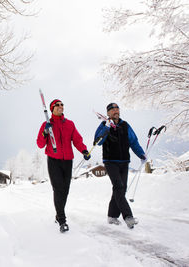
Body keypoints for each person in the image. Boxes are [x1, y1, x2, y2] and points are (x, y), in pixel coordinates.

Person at [37, 99, 90, 233]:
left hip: (68, 160)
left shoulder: (70, 124)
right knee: (58, 188)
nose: (61, 107)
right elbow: (40, 144)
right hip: (53, 160)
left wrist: (84, 150)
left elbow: (77, 139)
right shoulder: (47, 124)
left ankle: (58, 214)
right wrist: (45, 132)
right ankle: (62, 220)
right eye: (58, 105)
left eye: (62, 105)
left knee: (65, 190)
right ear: (52, 108)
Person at [94, 103, 146, 229]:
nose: (116, 111)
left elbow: (133, 141)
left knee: (120, 189)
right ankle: (128, 216)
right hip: (110, 161)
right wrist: (106, 128)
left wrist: (141, 154)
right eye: (112, 109)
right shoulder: (103, 125)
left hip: (124, 161)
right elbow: (97, 141)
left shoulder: (125, 125)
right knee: (119, 186)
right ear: (108, 113)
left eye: (117, 109)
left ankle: (112, 216)